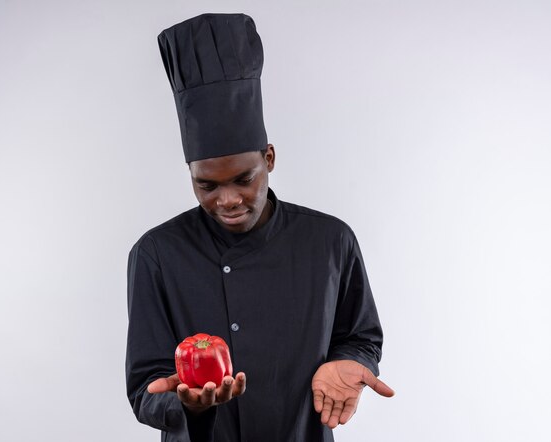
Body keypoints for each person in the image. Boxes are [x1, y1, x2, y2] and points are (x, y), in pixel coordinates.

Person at [126, 13, 394, 442]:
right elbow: (146, 387)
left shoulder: (329, 241)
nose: (227, 200)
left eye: (243, 179)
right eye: (206, 185)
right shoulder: (157, 254)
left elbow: (359, 335)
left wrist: (348, 361)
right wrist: (182, 402)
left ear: (268, 158)